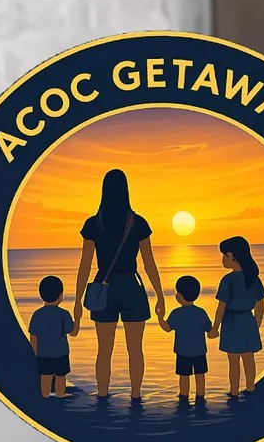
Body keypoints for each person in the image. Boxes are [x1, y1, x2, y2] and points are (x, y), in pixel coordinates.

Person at [69, 169, 163, 401]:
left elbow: (85, 265)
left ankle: (102, 395)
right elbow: (149, 262)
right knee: (135, 350)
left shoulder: (94, 224)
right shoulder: (138, 222)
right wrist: (160, 295)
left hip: (104, 287)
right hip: (131, 286)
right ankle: (136, 396)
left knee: (104, 351)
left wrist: (78, 300)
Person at [215, 237, 264, 395]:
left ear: (231, 255)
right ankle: (251, 387)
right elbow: (260, 304)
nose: (223, 259)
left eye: (224, 255)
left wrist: (215, 327)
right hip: (248, 321)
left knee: (233, 361)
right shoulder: (253, 279)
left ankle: (234, 391)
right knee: (249, 359)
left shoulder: (227, 280)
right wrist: (256, 323)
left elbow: (221, 307)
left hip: (232, 322)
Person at [160, 277, 213, 405]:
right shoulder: (201, 312)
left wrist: (160, 317)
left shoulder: (176, 313)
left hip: (183, 352)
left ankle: (184, 395)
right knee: (200, 374)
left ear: (180, 295)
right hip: (199, 351)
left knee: (184, 376)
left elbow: (167, 328)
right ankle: (200, 395)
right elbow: (209, 329)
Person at [27, 276, 74, 397]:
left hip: (43, 355)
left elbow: (33, 337)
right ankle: (60, 395)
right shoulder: (64, 314)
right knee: (60, 377)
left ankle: (45, 396)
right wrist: (77, 320)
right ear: (61, 295)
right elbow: (72, 332)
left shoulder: (37, 315)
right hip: (61, 354)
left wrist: (35, 354)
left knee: (45, 376)